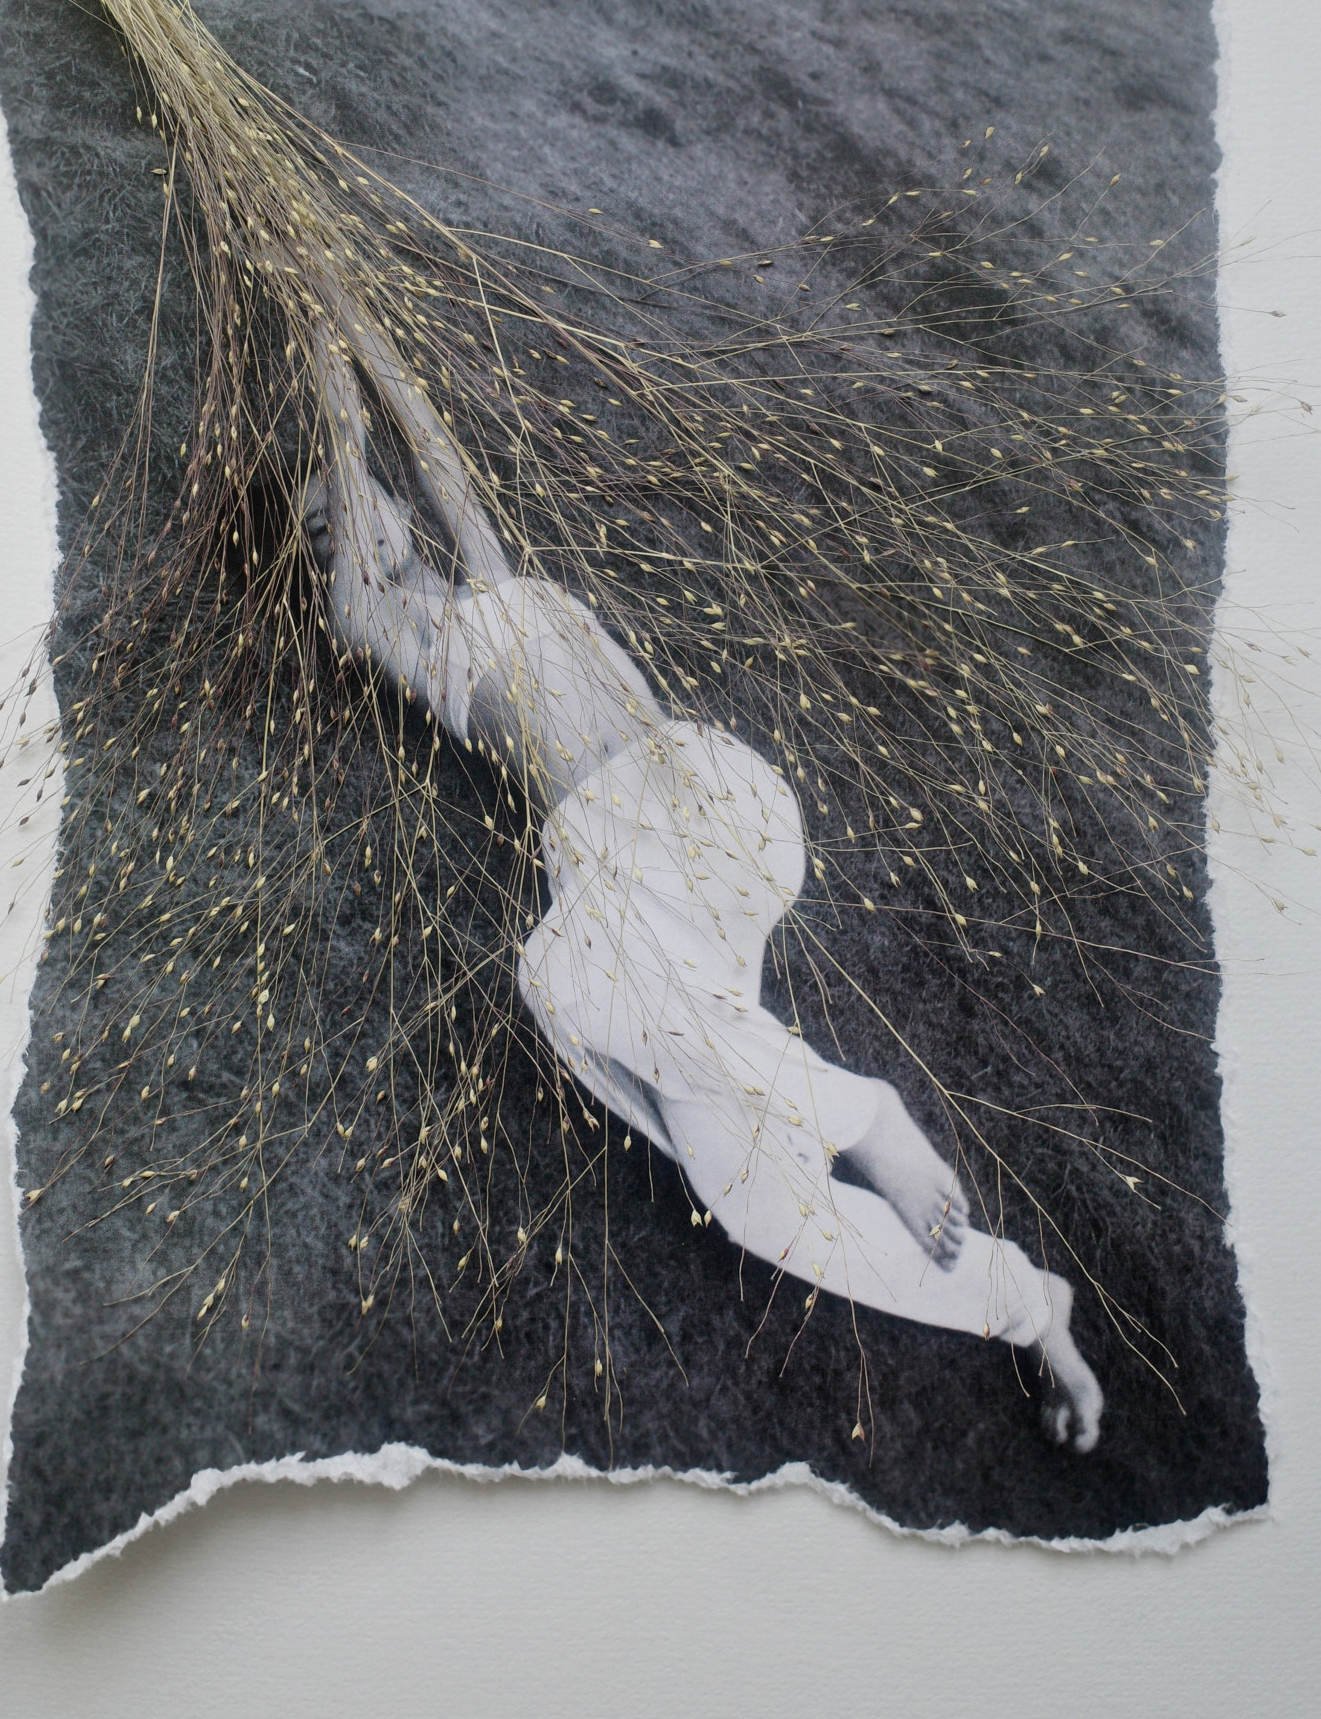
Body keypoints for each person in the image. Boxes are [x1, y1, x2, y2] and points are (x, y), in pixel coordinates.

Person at [303, 358, 1104, 1451]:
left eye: (348, 505)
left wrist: (351, 338)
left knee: (599, 985)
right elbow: (352, 567)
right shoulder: (383, 625)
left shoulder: (494, 578)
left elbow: (434, 452)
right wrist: (335, 414)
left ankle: (864, 1120)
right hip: (638, 885)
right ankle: (1026, 1304)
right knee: (754, 1203)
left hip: (691, 813)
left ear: (395, 507)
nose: (343, 528)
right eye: (319, 528)